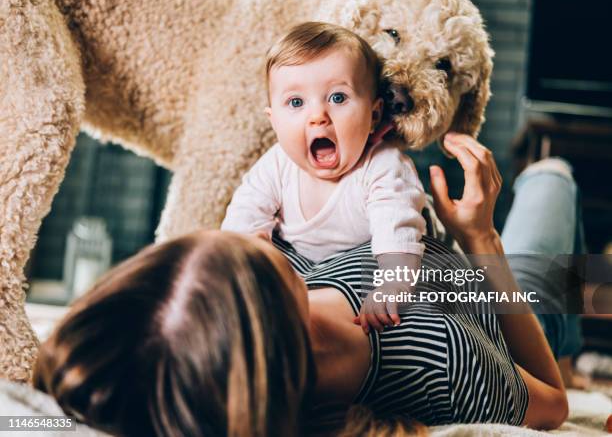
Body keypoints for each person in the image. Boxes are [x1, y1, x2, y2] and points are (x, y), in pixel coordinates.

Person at [34, 132, 578, 435]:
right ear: (271, 307)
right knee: (553, 181)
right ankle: (569, 333)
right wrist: (483, 240)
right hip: (510, 312)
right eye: (242, 250)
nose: (245, 233)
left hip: (450, 267)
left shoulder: (292, 278)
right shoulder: (441, 364)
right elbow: (553, 405)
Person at [221, 22, 427, 332]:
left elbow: (397, 230)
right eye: (296, 102)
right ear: (274, 121)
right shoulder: (276, 165)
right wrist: (244, 267)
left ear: (373, 115)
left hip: (361, 277)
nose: (317, 115)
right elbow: (243, 221)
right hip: (300, 272)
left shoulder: (383, 167)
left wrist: (391, 287)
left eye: (338, 98)